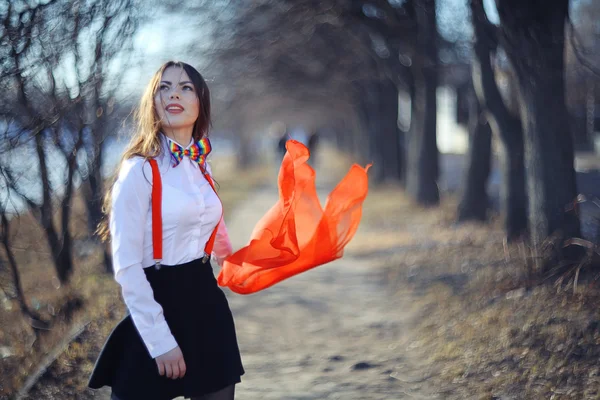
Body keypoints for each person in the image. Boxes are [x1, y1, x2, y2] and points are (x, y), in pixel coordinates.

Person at [88, 61, 244, 400]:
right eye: (164, 86)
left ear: (201, 101)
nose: (174, 92)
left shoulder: (201, 162)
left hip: (206, 303)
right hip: (157, 303)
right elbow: (127, 267)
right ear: (153, 101)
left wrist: (238, 260)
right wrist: (160, 343)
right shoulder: (139, 171)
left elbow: (208, 221)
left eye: (186, 87)